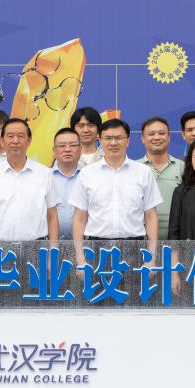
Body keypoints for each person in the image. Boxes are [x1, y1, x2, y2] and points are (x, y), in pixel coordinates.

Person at [70, 119, 162, 286]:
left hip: (134, 248)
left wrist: (151, 258)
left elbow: (151, 216)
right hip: (96, 249)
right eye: (108, 138)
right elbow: (79, 218)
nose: (113, 143)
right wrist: (80, 259)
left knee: (133, 298)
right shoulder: (87, 174)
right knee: (97, 299)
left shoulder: (143, 172)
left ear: (128, 141)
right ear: (99, 140)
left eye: (119, 138)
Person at [0, 119, 59, 241]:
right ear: (2, 141)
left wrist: (53, 249)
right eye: (10, 136)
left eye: (20, 136)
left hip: (36, 246)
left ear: (29, 141)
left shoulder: (44, 173)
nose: (15, 141)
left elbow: (52, 215)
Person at [137, 116, 184, 240]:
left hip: (176, 240)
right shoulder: (134, 169)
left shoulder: (183, 168)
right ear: (143, 138)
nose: (157, 137)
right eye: (151, 134)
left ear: (169, 137)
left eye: (161, 133)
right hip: (141, 240)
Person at [51, 128, 82, 240]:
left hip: (84, 243)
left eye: (73, 145)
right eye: (62, 145)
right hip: (50, 243)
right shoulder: (44, 177)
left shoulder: (88, 177)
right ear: (54, 150)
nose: (67, 149)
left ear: (80, 149)